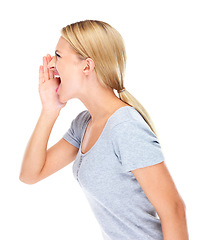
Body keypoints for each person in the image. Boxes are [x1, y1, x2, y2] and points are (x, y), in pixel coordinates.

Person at [20, 20, 189, 240]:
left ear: (87, 66)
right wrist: (49, 111)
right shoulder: (84, 124)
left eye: (58, 56)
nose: (51, 64)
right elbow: (30, 175)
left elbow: (174, 210)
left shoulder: (125, 126)